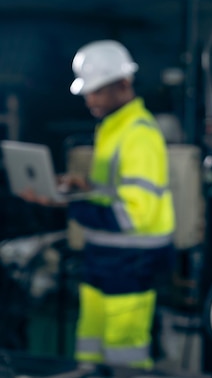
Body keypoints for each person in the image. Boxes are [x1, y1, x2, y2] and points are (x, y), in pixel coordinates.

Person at [24, 40, 176, 369]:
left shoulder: (140, 133)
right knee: (90, 339)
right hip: (104, 255)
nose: (89, 100)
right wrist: (82, 188)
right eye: (88, 92)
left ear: (123, 84)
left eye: (97, 91)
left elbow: (132, 214)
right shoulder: (112, 126)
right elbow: (114, 191)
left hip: (132, 261)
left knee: (125, 349)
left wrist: (67, 205)